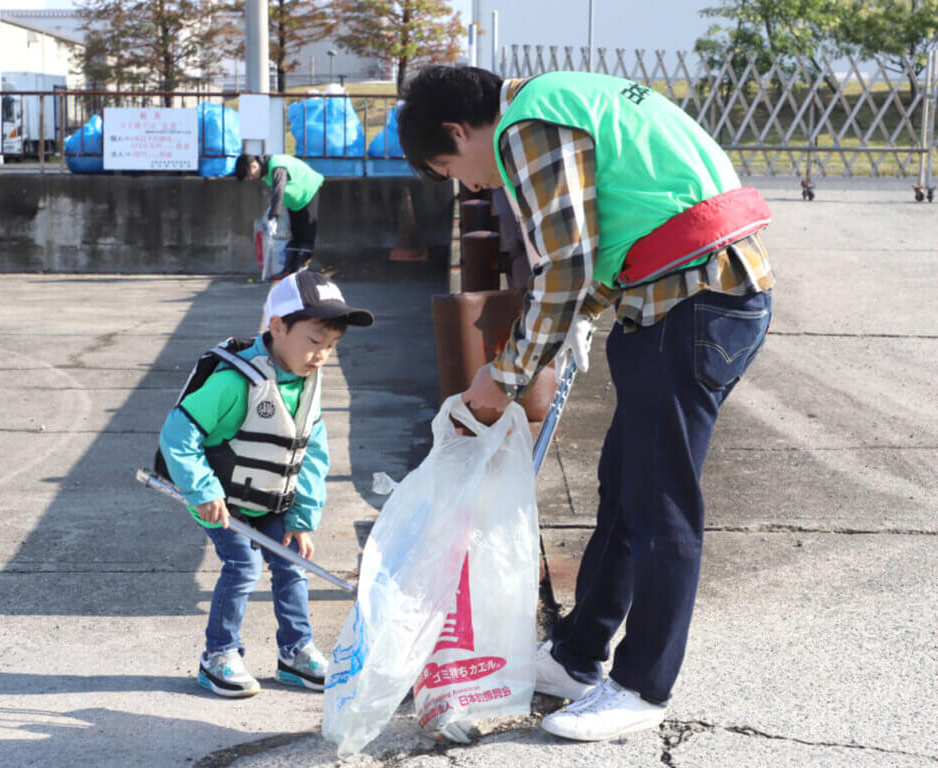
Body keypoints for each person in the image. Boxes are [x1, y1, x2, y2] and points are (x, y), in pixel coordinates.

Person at [398, 66, 774, 741]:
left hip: (688, 308)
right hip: (693, 298)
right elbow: (618, 234)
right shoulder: (565, 94)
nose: (473, 186)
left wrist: (507, 374)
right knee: (624, 490)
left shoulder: (527, 125)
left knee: (660, 504)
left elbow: (565, 262)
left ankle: (641, 686)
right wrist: (582, 314)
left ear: (459, 130)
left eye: (453, 167)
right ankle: (578, 655)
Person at [158, 271, 373, 697]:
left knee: (291, 562)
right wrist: (203, 491)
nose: (321, 355)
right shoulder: (234, 380)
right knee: (243, 566)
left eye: (331, 346)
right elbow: (177, 435)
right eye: (314, 341)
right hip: (224, 501)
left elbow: (312, 453)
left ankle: (295, 652)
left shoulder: (309, 384)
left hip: (275, 500)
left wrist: (302, 516)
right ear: (277, 327)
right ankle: (219, 654)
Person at [236, 153, 325, 276]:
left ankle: (300, 272)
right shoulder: (266, 170)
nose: (250, 179)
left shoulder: (276, 166)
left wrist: (274, 216)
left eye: (249, 176)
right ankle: (290, 270)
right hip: (295, 198)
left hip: (308, 191)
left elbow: (279, 190)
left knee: (306, 234)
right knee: (295, 234)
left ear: (254, 166)